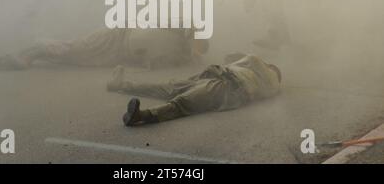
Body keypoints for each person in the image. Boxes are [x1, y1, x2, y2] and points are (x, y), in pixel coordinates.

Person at [107, 53, 281, 126]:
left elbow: (252, 59)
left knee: (184, 102)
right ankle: (121, 85)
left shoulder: (271, 78)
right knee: (168, 87)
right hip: (216, 77)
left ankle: (142, 116)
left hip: (226, 87)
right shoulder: (253, 70)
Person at [0, 27, 209, 71]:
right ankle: (27, 53)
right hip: (115, 38)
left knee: (73, 57)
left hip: (117, 52)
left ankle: (33, 52)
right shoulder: (178, 33)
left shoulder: (178, 50)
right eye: (198, 45)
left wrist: (190, 58)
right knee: (72, 50)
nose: (197, 50)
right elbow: (153, 64)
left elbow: (152, 62)